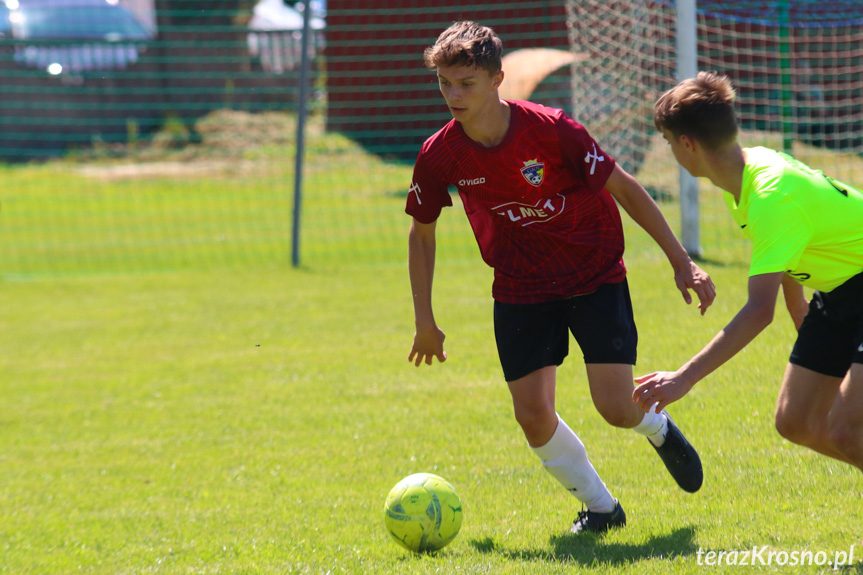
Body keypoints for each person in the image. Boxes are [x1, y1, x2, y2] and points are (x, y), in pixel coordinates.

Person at [406, 21, 716, 534]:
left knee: (616, 407)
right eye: (444, 83)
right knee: (531, 414)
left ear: (497, 78)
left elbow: (625, 186)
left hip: (592, 273)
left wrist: (680, 260)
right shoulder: (439, 154)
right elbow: (421, 234)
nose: (453, 95)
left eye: (466, 83)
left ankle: (658, 430)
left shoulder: (551, 129)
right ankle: (601, 509)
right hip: (520, 285)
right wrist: (425, 319)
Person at [634, 71, 863, 474]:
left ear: (687, 144)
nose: (671, 151)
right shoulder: (741, 177)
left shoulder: (770, 195)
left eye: (669, 142)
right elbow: (790, 248)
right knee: (795, 421)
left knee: (845, 430)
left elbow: (759, 310)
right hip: (841, 293)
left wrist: (684, 377)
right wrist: (800, 312)